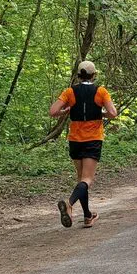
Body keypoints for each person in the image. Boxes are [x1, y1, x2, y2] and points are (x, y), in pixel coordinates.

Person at [49, 60, 117, 228]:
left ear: (78, 76)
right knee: (87, 179)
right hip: (93, 139)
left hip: (75, 140)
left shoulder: (70, 92)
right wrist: (100, 113)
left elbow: (53, 111)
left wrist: (66, 110)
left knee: (80, 179)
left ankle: (87, 216)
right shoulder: (100, 91)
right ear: (94, 75)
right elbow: (113, 113)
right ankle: (70, 203)